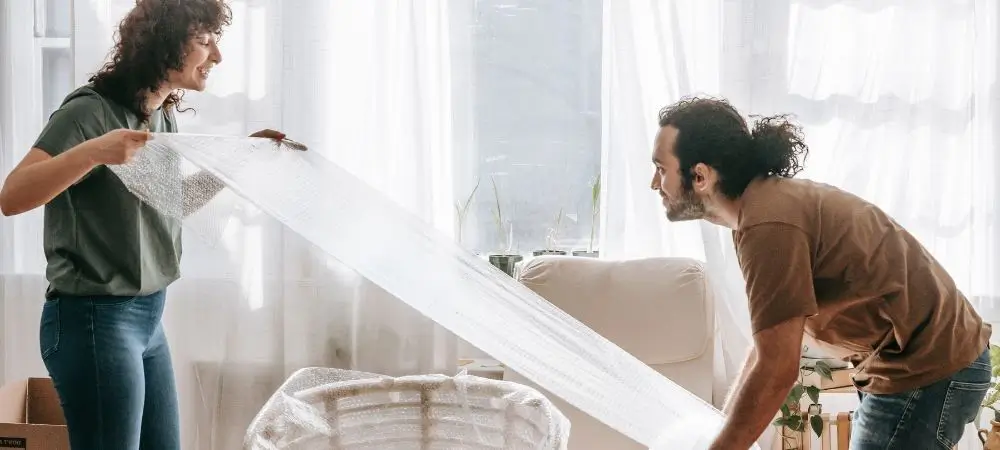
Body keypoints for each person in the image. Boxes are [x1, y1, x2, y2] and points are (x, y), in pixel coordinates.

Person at [0, 1, 294, 449]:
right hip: (94, 320)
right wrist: (95, 152)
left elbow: (170, 203)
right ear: (166, 43)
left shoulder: (160, 115)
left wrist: (238, 159)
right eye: (205, 41)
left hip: (148, 319)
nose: (217, 56)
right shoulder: (88, 112)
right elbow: (13, 195)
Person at [649, 96, 992, 450]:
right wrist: (719, 432)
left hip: (927, 367)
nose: (654, 183)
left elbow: (777, 368)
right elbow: (768, 347)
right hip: (912, 365)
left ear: (700, 176)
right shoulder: (760, 211)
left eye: (661, 168)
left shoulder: (769, 224)